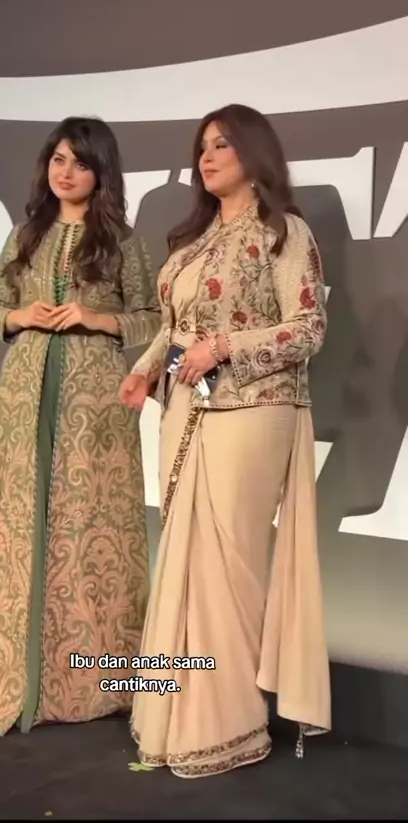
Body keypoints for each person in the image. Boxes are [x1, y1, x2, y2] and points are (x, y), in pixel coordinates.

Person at [0, 116, 160, 736]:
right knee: (18, 519)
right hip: (24, 393)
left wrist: (96, 318)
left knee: (87, 526)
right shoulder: (25, 234)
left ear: (101, 172)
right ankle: (6, 667)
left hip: (94, 402)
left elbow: (150, 317)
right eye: (59, 159)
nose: (66, 172)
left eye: (80, 163)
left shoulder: (123, 241)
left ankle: (96, 678)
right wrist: (21, 316)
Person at [120, 103, 331, 778]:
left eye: (222, 145)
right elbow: (174, 329)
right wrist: (145, 369)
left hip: (254, 411)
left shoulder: (282, 232)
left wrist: (225, 346)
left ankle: (232, 725)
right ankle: (176, 721)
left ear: (254, 152)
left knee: (228, 568)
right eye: (202, 147)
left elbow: (308, 327)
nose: (207, 157)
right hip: (186, 406)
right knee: (184, 563)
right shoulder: (193, 241)